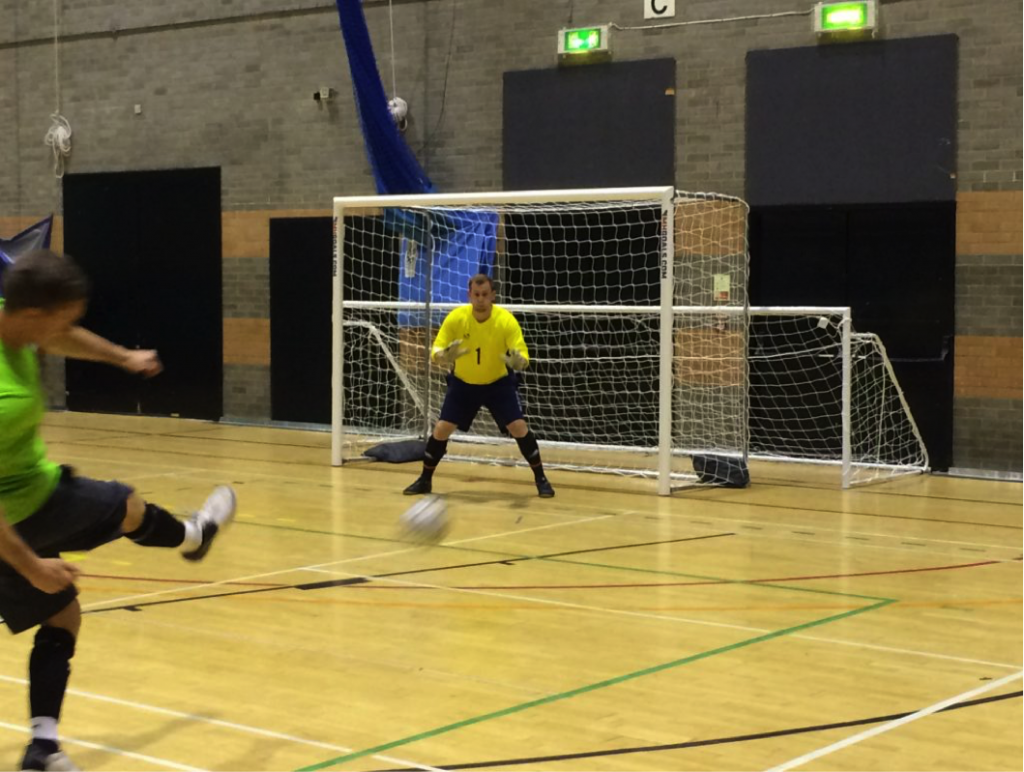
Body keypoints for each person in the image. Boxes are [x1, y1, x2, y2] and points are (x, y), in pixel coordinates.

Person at [0, 250, 236, 772]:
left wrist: (121, 357)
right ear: (35, 313)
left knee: (61, 613)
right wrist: (32, 566)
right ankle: (194, 537)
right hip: (24, 509)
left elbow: (59, 338)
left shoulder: (13, 324)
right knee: (125, 504)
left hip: (23, 502)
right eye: (64, 317)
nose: (68, 328)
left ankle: (42, 748)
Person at [404, 273, 554, 498]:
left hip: (498, 384)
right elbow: (436, 351)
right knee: (441, 429)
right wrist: (444, 356)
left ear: (493, 295)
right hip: (463, 385)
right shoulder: (456, 318)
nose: (481, 299)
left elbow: (523, 356)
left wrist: (518, 362)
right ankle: (425, 480)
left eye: (485, 294)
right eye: (476, 294)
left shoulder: (505, 320)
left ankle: (541, 479)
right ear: (469, 295)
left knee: (518, 427)